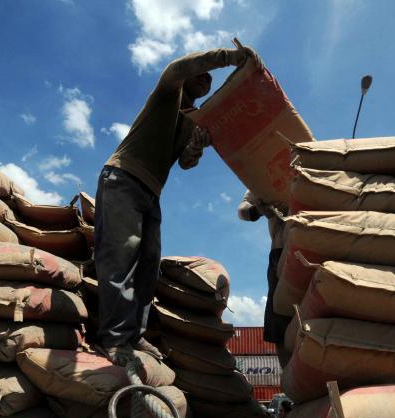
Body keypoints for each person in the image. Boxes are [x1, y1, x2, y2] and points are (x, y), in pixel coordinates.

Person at [95, 45, 263, 366]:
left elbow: (186, 162)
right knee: (120, 256)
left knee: (147, 265)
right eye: (200, 75)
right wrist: (230, 58)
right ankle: (115, 338)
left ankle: (134, 335)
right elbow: (177, 68)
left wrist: (197, 146)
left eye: (208, 80)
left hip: (151, 193)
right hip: (123, 178)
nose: (205, 81)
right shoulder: (167, 93)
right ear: (188, 78)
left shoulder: (192, 120)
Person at [237, 190, 292, 368]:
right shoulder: (266, 172)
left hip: (321, 247)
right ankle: (293, 385)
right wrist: (258, 211)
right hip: (281, 250)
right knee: (280, 323)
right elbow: (242, 210)